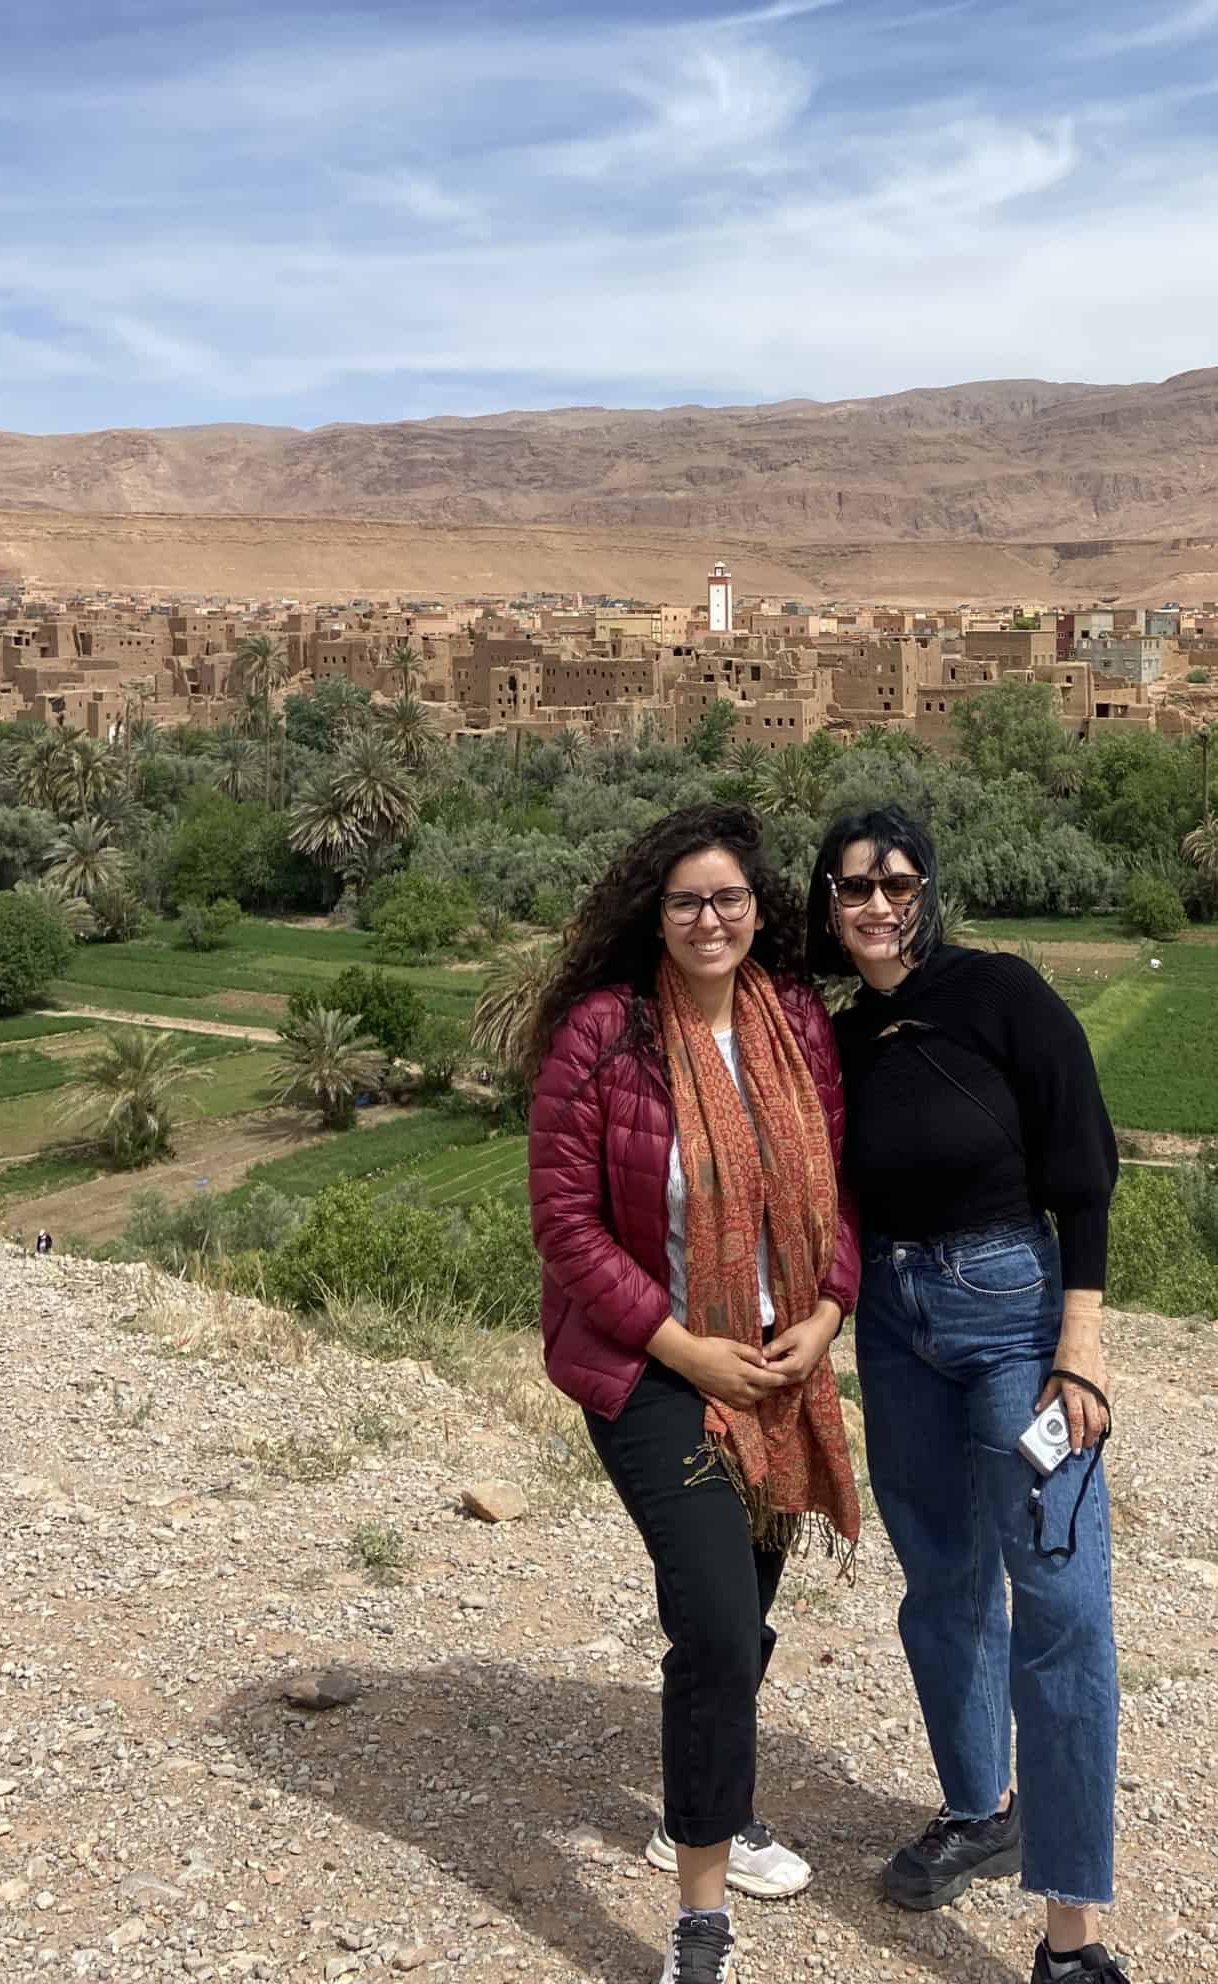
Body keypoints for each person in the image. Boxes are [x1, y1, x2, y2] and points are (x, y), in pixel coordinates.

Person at [530, 804, 860, 1984]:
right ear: (653, 915)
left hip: (782, 1359)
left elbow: (838, 1187)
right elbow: (567, 1227)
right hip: (652, 1367)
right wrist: (686, 1349)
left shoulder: (797, 1025)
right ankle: (699, 1928)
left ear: (758, 911)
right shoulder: (605, 1038)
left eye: (727, 899)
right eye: (685, 901)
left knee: (739, 1623)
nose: (708, 918)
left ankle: (708, 1800)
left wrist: (826, 1313)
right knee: (719, 1622)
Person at [807, 805, 1126, 1984]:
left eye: (896, 882)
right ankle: (975, 1805)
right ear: (827, 903)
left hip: (1014, 1318)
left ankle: (1071, 1936)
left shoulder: (1003, 993)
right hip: (895, 1328)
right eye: (853, 887)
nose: (877, 904)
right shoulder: (841, 1037)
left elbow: (1084, 1165)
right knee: (942, 1581)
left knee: (1060, 1599)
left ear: (929, 888)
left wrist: (1077, 1345)